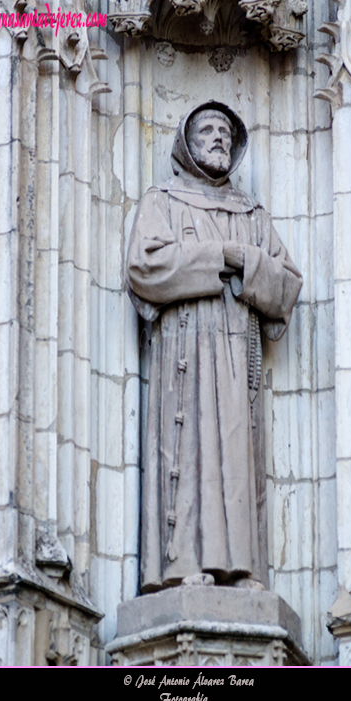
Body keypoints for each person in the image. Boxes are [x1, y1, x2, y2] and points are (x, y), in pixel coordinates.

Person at [126, 101, 302, 593]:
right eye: (207, 129)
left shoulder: (252, 214)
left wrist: (246, 262)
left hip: (234, 353)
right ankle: (182, 568)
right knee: (185, 450)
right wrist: (217, 257)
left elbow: (287, 284)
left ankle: (243, 569)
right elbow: (144, 268)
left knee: (236, 458)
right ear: (187, 142)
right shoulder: (162, 201)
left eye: (225, 131)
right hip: (182, 354)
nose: (219, 138)